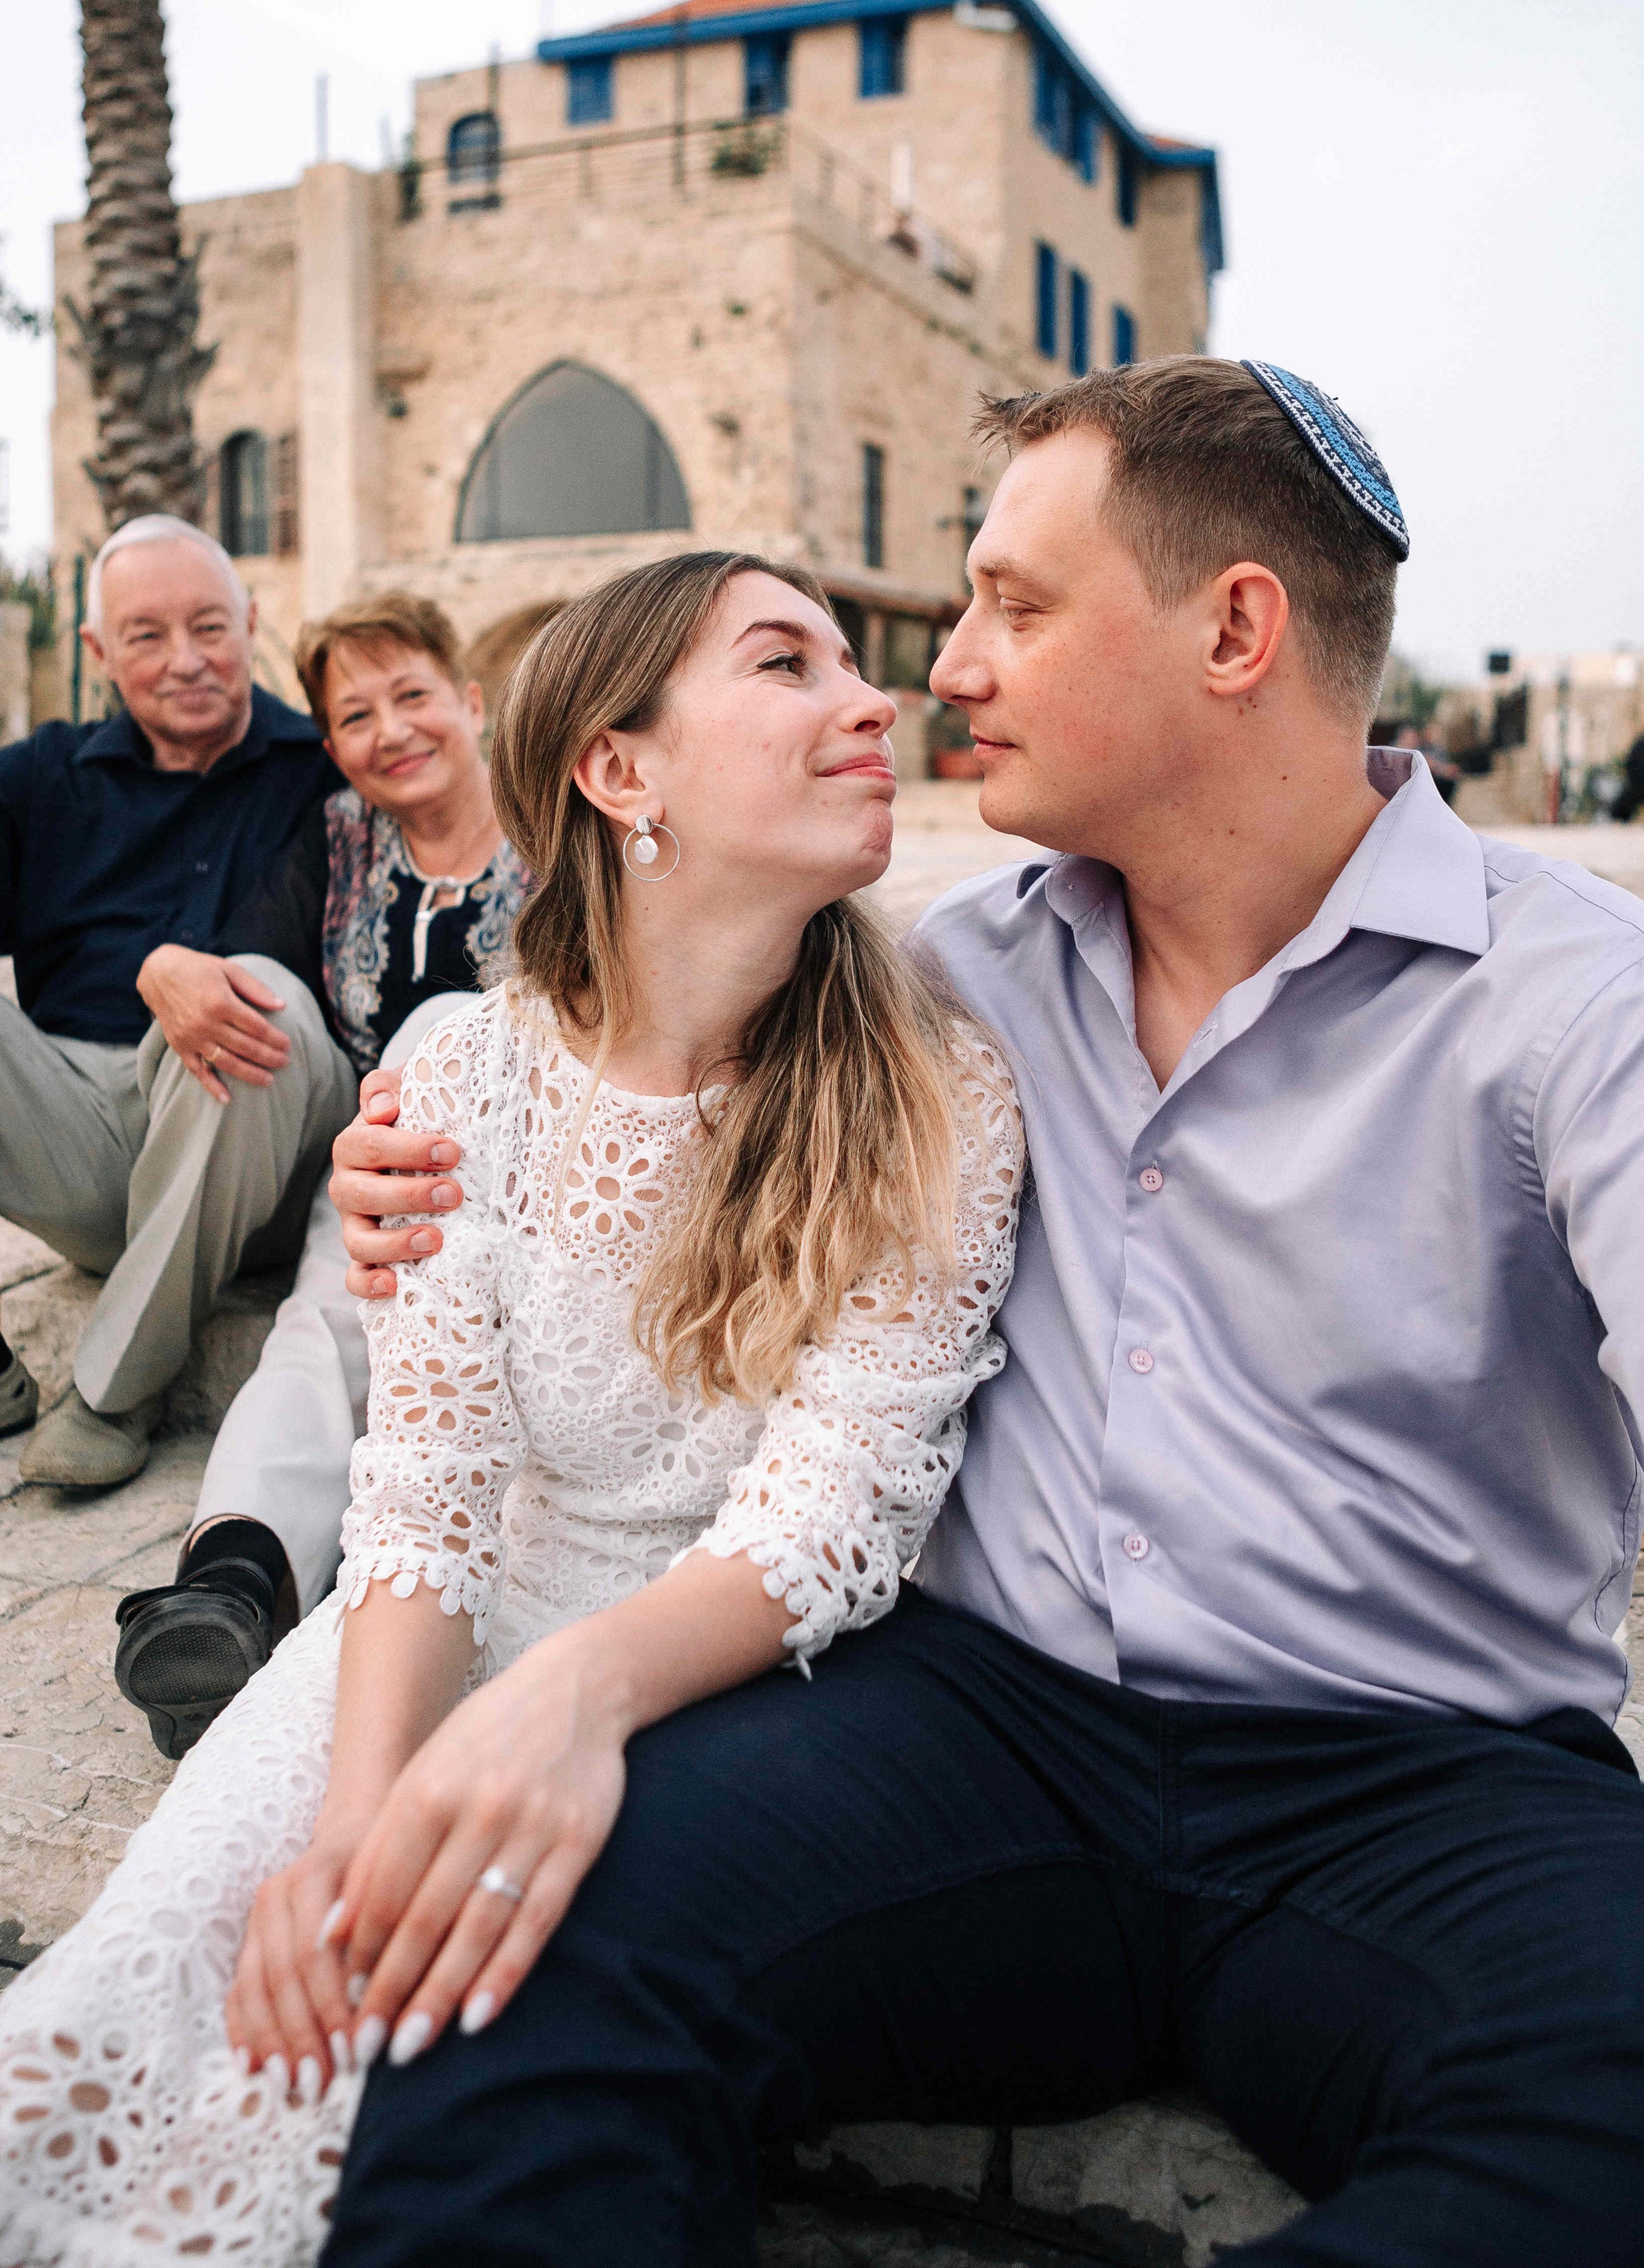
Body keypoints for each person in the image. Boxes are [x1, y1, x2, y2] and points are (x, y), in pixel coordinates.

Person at [320, 358, 1644, 2268]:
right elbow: (614, 1099)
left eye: (1017, 607)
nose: (946, 670)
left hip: (1425, 1781)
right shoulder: (943, 977)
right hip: (976, 1733)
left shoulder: (1579, 1007)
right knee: (512, 1947)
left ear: (1237, 632)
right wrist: (397, 1174)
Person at [0, 550, 1022, 2262]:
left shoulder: (935, 1080)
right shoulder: (460, 1071)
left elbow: (840, 1503)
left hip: (708, 1676)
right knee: (163, 1978)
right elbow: (421, 1490)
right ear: (618, 771)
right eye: (784, 664)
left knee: (381, 2066)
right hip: (431, 1618)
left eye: (846, 664)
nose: (879, 698)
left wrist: (552, 1719)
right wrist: (354, 1817)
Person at [112, 591, 536, 1761]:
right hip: (378, 1182)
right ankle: (232, 1580)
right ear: (333, 744)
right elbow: (257, 971)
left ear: (470, 699)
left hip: (530, 1176)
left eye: (412, 696)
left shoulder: (562, 826)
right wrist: (166, 965)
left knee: (443, 1026)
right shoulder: (341, 837)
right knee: (315, 1321)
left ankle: (277, 1568)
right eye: (355, 715)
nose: (390, 731)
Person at [0, 516, 353, 1490]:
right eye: (146, 636)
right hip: (72, 1127)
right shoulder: (47, 774)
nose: (185, 660)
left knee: (260, 996)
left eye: (209, 627)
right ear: (99, 651)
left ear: (251, 621)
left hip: (255, 1154)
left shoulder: (329, 769)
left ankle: (114, 1391)